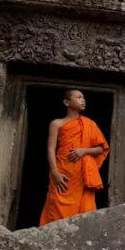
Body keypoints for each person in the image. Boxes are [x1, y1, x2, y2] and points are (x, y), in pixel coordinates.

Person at [39, 89, 110, 226]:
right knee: (56, 213)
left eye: (83, 98)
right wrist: (54, 172)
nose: (83, 100)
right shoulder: (57, 123)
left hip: (82, 177)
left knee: (84, 213)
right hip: (62, 174)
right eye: (78, 97)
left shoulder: (90, 124)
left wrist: (84, 151)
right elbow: (50, 148)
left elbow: (101, 148)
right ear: (66, 102)